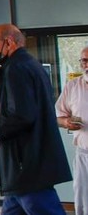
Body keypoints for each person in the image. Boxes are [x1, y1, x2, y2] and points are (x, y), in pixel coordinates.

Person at [0, 24, 71, 215]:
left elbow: (19, 117)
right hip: (24, 167)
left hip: (25, 166)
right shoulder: (31, 65)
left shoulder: (16, 69)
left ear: (8, 42)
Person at [55, 46, 88, 215]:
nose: (87, 65)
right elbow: (58, 117)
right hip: (84, 154)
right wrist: (66, 122)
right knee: (83, 201)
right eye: (84, 61)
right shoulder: (73, 86)